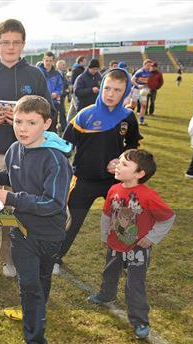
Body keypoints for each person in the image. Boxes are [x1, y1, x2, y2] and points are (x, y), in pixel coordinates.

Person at [0, 19, 55, 277]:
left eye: (15, 42)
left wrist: (25, 119)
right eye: (5, 42)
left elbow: (49, 114)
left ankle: (8, 257)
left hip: (24, 153)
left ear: (23, 44)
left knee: (15, 207)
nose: (10, 47)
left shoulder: (35, 74)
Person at [0, 95, 72, 344]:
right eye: (17, 121)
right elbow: (12, 174)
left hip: (49, 233)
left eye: (31, 122)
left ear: (47, 124)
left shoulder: (56, 160)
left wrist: (11, 198)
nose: (22, 128)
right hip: (22, 230)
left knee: (42, 277)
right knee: (29, 283)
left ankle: (33, 309)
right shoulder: (15, 149)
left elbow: (53, 203)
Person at [54, 68, 143, 272]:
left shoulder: (128, 117)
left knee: (124, 220)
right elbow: (65, 145)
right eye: (108, 88)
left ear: (126, 91)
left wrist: (121, 161)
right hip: (84, 179)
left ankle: (126, 259)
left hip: (116, 182)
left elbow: (133, 148)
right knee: (70, 222)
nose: (111, 94)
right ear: (101, 87)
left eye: (118, 90)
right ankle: (55, 257)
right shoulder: (85, 115)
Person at [88, 149, 175, 340]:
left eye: (124, 164)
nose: (118, 165)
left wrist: (151, 238)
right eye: (119, 161)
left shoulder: (148, 196)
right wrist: (105, 235)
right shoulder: (113, 189)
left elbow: (168, 217)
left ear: (139, 173)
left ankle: (140, 320)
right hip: (115, 244)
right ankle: (106, 295)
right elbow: (106, 215)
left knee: (135, 284)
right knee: (110, 272)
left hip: (137, 249)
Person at [37, 52, 63, 132]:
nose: (48, 62)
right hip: (39, 103)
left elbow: (60, 86)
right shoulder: (37, 72)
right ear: (43, 60)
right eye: (46, 60)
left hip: (53, 103)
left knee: (52, 124)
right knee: (40, 124)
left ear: (53, 61)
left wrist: (56, 93)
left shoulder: (57, 74)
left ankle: (51, 143)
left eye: (50, 61)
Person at [130, 59, 154, 125]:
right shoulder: (140, 72)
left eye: (150, 65)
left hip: (144, 91)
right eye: (148, 65)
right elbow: (132, 80)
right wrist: (138, 85)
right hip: (136, 90)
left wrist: (149, 88)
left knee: (144, 105)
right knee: (133, 105)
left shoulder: (151, 73)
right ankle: (125, 115)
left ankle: (141, 121)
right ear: (144, 65)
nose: (149, 66)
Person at [67, 56, 88, 123]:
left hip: (77, 92)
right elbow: (73, 82)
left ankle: (69, 121)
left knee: (73, 108)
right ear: (80, 61)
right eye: (84, 61)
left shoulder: (80, 69)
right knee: (77, 108)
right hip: (76, 92)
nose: (86, 62)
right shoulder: (77, 70)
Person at [56, 59, 69, 134]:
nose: (65, 66)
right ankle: (63, 128)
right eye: (63, 65)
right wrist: (63, 91)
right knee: (60, 112)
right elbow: (59, 85)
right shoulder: (57, 74)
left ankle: (63, 127)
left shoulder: (63, 74)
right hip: (58, 96)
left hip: (62, 96)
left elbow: (65, 84)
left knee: (62, 112)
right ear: (59, 65)